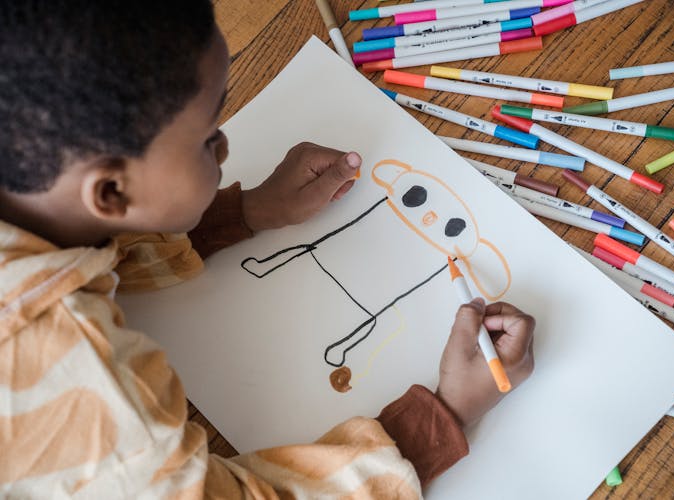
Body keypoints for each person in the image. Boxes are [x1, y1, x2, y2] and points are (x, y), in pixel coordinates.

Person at [0, 1, 535, 497]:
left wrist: (241, 213)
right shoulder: (92, 394)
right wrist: (442, 418)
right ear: (112, 193)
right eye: (209, 138)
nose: (227, 145)